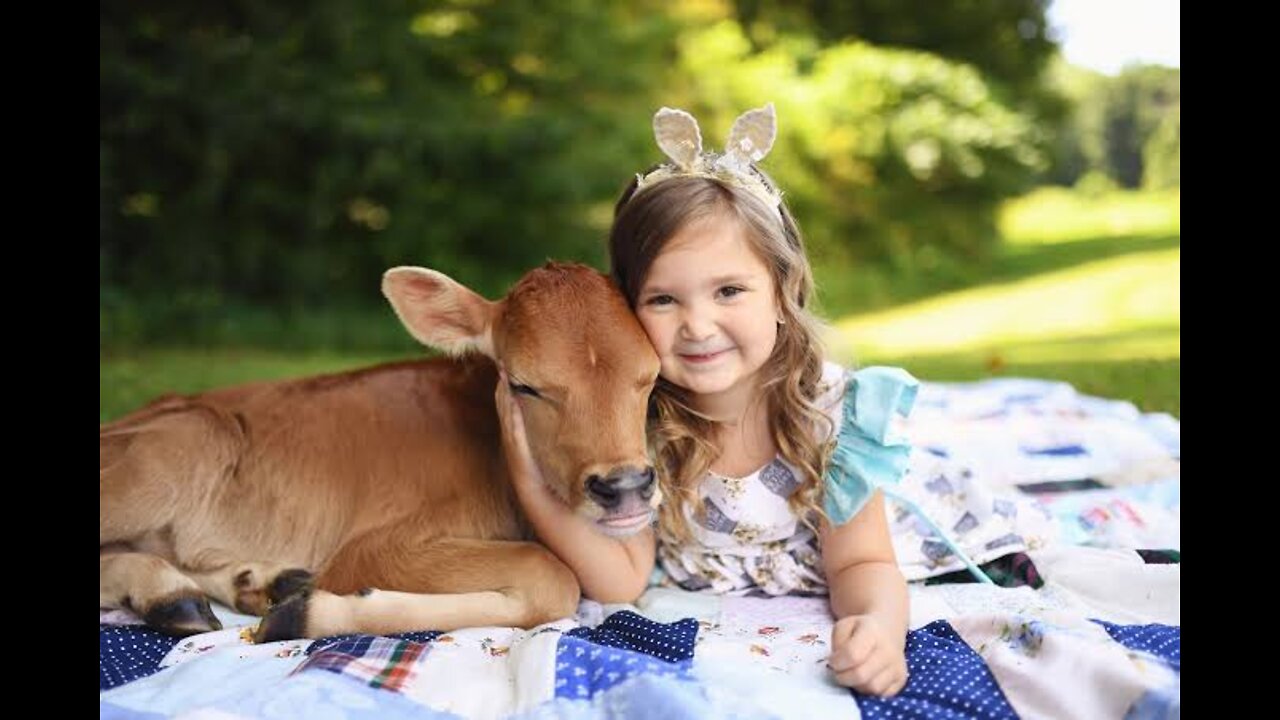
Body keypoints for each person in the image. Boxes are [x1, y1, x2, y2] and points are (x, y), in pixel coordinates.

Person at [497, 103, 917, 697]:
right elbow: (621, 580)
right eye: (663, 300)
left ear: (782, 290)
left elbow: (861, 564)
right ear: (626, 310)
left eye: (728, 291)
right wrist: (532, 482)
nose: (697, 325)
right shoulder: (644, 423)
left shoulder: (828, 416)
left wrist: (878, 627)